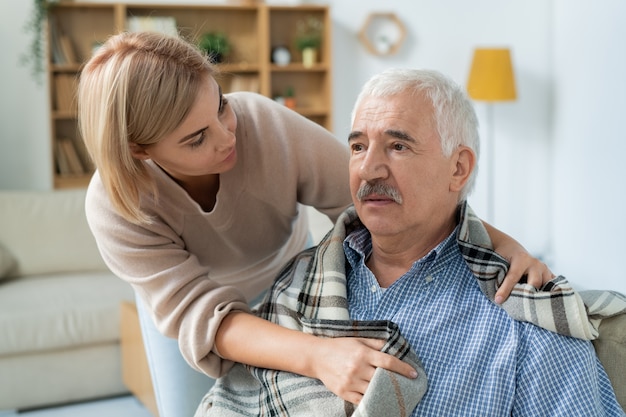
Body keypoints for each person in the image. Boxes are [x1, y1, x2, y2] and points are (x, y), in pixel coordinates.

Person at [77, 31, 555, 417]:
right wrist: (318, 355)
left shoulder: (262, 124)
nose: (227, 137)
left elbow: (377, 197)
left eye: (220, 104)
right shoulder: (116, 207)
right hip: (200, 321)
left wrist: (500, 241)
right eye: (198, 138)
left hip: (289, 287)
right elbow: (202, 320)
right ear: (141, 151)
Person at [197, 68, 626, 416]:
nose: (369, 170)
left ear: (458, 169)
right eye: (358, 146)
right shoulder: (298, 286)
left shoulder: (529, 319)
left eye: (398, 145)